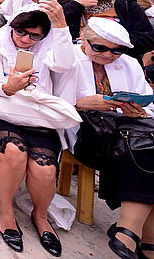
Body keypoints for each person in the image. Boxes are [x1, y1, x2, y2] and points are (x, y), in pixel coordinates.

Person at [0, 2, 75, 255]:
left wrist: (61, 26)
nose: (26, 39)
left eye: (34, 36)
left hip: (39, 115)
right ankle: (6, 211)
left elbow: (65, 65)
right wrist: (10, 87)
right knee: (13, 151)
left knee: (45, 169)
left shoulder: (49, 46)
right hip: (1, 110)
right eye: (21, 32)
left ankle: (41, 216)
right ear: (12, 27)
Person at [67, 18, 154, 259]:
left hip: (126, 132)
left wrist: (139, 111)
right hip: (85, 133)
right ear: (83, 40)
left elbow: (148, 104)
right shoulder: (67, 58)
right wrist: (80, 103)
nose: (108, 55)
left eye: (117, 50)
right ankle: (139, 236)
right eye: (100, 48)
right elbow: (45, 98)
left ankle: (133, 233)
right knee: (144, 149)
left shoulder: (129, 63)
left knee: (144, 147)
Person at [64, 0, 154, 61]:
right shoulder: (64, 4)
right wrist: (75, 5)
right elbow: (53, 31)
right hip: (76, 62)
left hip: (118, 63)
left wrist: (107, 43)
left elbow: (147, 39)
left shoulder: (125, 4)